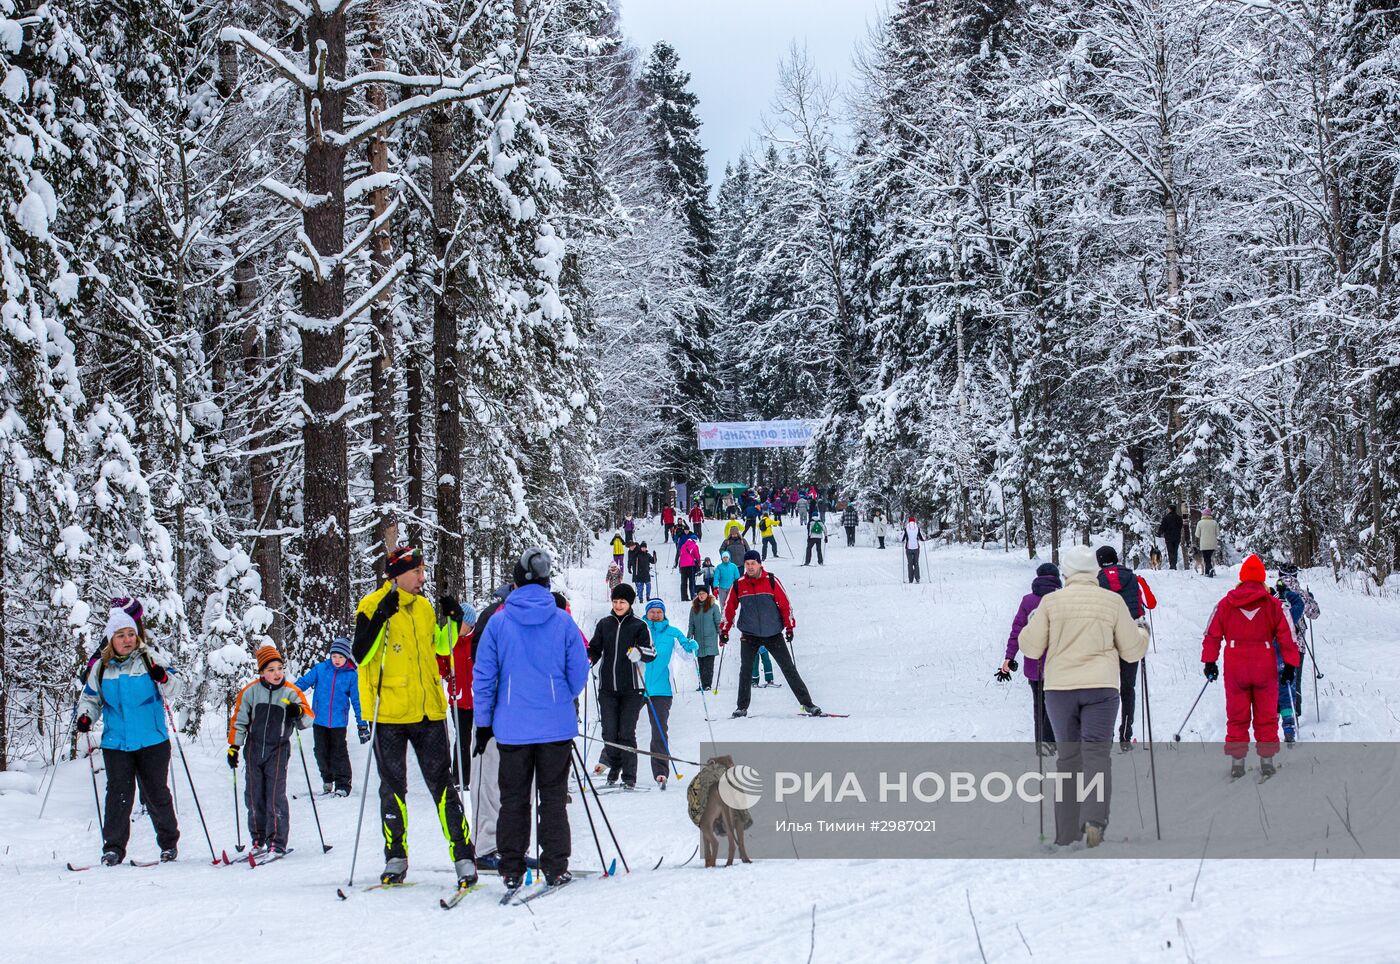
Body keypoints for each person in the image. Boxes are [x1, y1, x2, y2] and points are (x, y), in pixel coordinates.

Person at [351, 544, 474, 888]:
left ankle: (464, 855)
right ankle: (396, 856)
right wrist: (380, 617)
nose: (423, 578)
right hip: (389, 712)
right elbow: (361, 654)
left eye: (423, 571)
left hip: (428, 710)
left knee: (443, 785)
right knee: (393, 788)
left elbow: (440, 646)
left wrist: (453, 621)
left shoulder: (422, 608)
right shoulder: (371, 605)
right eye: (417, 572)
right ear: (397, 575)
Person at [473, 547, 590, 892]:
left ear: (514, 582)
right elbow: (579, 671)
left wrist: (483, 724)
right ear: (545, 581)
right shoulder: (562, 619)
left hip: (512, 729)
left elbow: (484, 677)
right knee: (552, 797)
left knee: (514, 798)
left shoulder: (498, 621)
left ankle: (511, 867)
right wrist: (560, 697)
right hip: (555, 726)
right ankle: (555, 865)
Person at [1017, 545, 1149, 848]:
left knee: (1068, 758)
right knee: (1097, 755)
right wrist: (1142, 631)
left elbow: (1031, 648)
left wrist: (1032, 620)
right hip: (1101, 688)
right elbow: (1132, 650)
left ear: (1066, 572)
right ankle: (1094, 822)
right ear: (1094, 572)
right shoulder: (1112, 601)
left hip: (1060, 690)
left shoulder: (1051, 603)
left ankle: (1065, 833)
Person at [76, 602, 182, 866]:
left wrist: (164, 678)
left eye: (131, 634)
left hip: (152, 740)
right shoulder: (102, 667)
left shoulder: (150, 659)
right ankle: (113, 849)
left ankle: (168, 844)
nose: (127, 640)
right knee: (118, 795)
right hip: (116, 742)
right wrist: (86, 717)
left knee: (157, 793)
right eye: (121, 635)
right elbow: (90, 699)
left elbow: (177, 688)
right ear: (111, 639)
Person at [1201, 554, 1301, 778]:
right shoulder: (1274, 604)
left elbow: (1211, 634)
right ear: (1263, 579)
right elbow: (1288, 636)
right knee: (1266, 715)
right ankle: (1267, 760)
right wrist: (1291, 665)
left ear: (1242, 578)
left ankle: (1238, 762)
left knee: (1237, 715)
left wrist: (1210, 662)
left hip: (1236, 666)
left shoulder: (1226, 604)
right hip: (1264, 665)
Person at [227, 644, 313, 857]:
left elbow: (308, 719)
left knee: (274, 795)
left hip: (278, 749)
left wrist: (298, 711)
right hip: (254, 749)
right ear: (262, 673)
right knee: (254, 795)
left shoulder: (291, 692)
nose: (276, 673)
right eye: (271, 669)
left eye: (279, 668)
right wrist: (234, 747)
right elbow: (239, 721)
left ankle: (277, 841)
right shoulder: (250, 692)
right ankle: (258, 839)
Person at [723, 550, 821, 717]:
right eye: (747, 564)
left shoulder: (771, 581)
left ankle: (808, 704)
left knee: (788, 668)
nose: (750, 567)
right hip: (749, 634)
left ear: (760, 564)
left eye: (753, 563)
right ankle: (741, 707)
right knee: (745, 670)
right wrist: (724, 630)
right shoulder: (739, 585)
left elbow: (785, 605)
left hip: (773, 632)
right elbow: (729, 608)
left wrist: (789, 627)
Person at [587, 583, 656, 787]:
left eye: (622, 602)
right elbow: (595, 648)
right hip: (607, 688)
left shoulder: (638, 625)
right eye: (615, 601)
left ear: (630, 603)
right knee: (609, 732)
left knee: (626, 732)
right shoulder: (604, 624)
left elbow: (652, 653)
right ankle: (614, 768)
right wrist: (589, 658)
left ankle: (629, 777)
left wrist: (639, 653)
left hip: (632, 689)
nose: (618, 605)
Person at [1095, 546, 1157, 751]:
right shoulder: (1132, 577)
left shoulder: (1097, 581)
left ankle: (1106, 735)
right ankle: (1125, 735)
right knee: (1128, 688)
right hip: (1130, 635)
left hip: (1107, 640)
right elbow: (1149, 603)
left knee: (1107, 689)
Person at [997, 563, 1061, 753]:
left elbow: (1016, 630)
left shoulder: (1027, 601)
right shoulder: (1062, 600)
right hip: (1058, 662)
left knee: (1038, 703)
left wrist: (1009, 657)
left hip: (1034, 662)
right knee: (1055, 704)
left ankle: (1040, 743)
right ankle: (1051, 742)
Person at [293, 635, 367, 796]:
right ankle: (327, 779)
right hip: (319, 720)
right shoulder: (321, 669)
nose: (337, 660)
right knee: (320, 751)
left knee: (339, 752)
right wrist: (289, 694)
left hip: (338, 723)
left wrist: (362, 724)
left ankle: (343, 784)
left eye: (340, 657)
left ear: (346, 657)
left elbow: (357, 701)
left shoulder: (351, 675)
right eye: (334, 656)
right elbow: (303, 683)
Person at [640, 598, 698, 789]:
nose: (655, 615)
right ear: (647, 613)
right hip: (637, 686)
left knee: (659, 730)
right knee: (624, 727)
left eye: (659, 612)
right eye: (652, 612)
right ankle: (612, 765)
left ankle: (660, 773)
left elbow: (687, 655)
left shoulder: (673, 633)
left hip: (661, 690)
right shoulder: (639, 629)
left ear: (664, 613)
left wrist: (691, 647)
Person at [436, 598, 479, 790]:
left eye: (459, 623)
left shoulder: (477, 640)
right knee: (462, 738)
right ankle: (461, 778)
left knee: (483, 738)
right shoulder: (450, 641)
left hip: (479, 698)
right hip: (459, 699)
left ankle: (483, 776)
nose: (456, 627)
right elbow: (440, 662)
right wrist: (446, 674)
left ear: (468, 624)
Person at [1273, 563, 1318, 744]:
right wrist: (1312, 600)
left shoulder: (1275, 592)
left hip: (1276, 645)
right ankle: (1294, 713)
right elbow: (1314, 614)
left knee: (1276, 680)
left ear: (1279, 574)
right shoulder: (1301, 594)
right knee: (1294, 680)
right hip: (1297, 644)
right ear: (1296, 575)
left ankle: (1276, 712)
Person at [689, 587, 723, 690]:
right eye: (699, 594)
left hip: (710, 640)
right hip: (699, 641)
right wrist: (689, 637)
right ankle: (702, 684)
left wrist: (722, 635)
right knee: (701, 664)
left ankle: (707, 684)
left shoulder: (714, 607)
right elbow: (691, 625)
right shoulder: (694, 608)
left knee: (708, 665)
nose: (701, 595)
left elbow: (718, 623)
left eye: (703, 593)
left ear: (707, 594)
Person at [1157, 505, 1183, 570]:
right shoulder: (1179, 518)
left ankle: (1172, 564)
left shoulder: (1166, 518)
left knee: (1170, 551)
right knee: (1175, 551)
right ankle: (1174, 564)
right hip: (1177, 537)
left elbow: (1163, 526)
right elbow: (1180, 526)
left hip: (1169, 537)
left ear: (1170, 509)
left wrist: (1159, 533)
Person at [902, 517, 928, 583]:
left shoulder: (906, 529)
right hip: (916, 548)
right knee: (916, 563)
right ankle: (917, 578)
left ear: (908, 522)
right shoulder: (917, 529)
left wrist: (902, 540)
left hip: (908, 548)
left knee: (910, 563)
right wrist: (923, 540)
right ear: (915, 521)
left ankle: (910, 579)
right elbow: (921, 538)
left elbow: (902, 538)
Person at [1195, 508, 1219, 576]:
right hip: (1212, 544)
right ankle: (1207, 572)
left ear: (1203, 515)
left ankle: (1210, 569)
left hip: (1204, 544)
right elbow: (1218, 534)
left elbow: (1197, 534)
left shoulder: (1200, 523)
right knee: (1208, 558)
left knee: (1206, 558)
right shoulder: (1214, 522)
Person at [678, 531, 702, 600]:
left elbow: (681, 555)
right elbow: (697, 556)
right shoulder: (694, 546)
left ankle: (684, 597)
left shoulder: (683, 546)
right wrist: (699, 563)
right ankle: (692, 595)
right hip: (690, 565)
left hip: (682, 566)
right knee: (692, 581)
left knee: (683, 582)